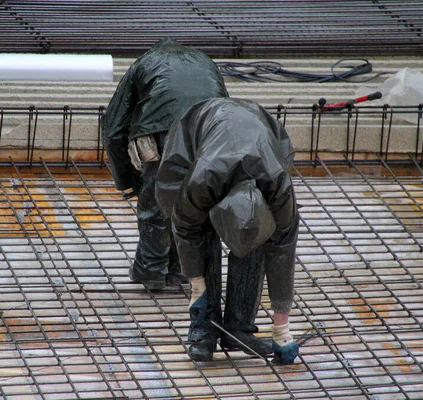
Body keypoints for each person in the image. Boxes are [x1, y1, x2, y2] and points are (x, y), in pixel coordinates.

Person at [155, 98, 300, 364]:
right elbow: (186, 231)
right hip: (193, 141)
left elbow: (283, 253)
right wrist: (198, 287)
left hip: (261, 131)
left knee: (254, 236)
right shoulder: (201, 181)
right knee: (202, 236)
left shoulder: (278, 189)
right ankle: (203, 330)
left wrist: (282, 329)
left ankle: (238, 330)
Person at [102, 38, 229, 290]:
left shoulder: (144, 62)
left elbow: (113, 129)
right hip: (213, 130)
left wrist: (128, 181)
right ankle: (179, 268)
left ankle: (151, 270)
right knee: (194, 203)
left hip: (163, 130)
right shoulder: (205, 61)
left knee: (156, 203)